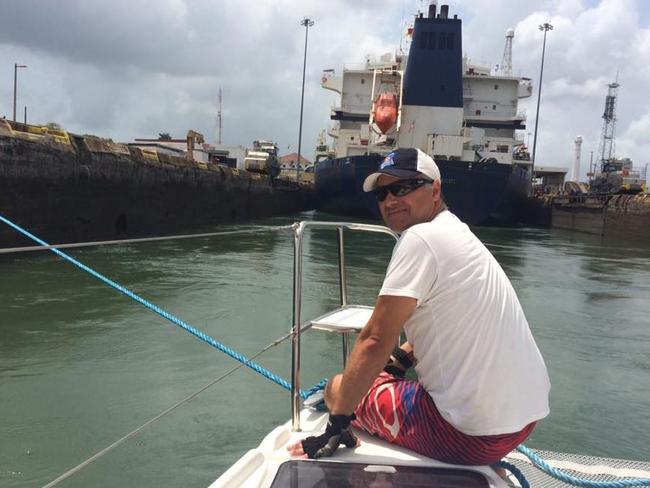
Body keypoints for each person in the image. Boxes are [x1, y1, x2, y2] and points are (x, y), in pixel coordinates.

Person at [288, 148, 550, 464]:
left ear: (435, 189)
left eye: (402, 188)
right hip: (522, 423)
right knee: (380, 375)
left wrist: (337, 424)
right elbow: (449, 322)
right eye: (382, 193)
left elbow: (374, 340)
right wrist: (399, 359)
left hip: (467, 437)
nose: (389, 201)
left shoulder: (420, 239)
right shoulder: (459, 233)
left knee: (337, 387)